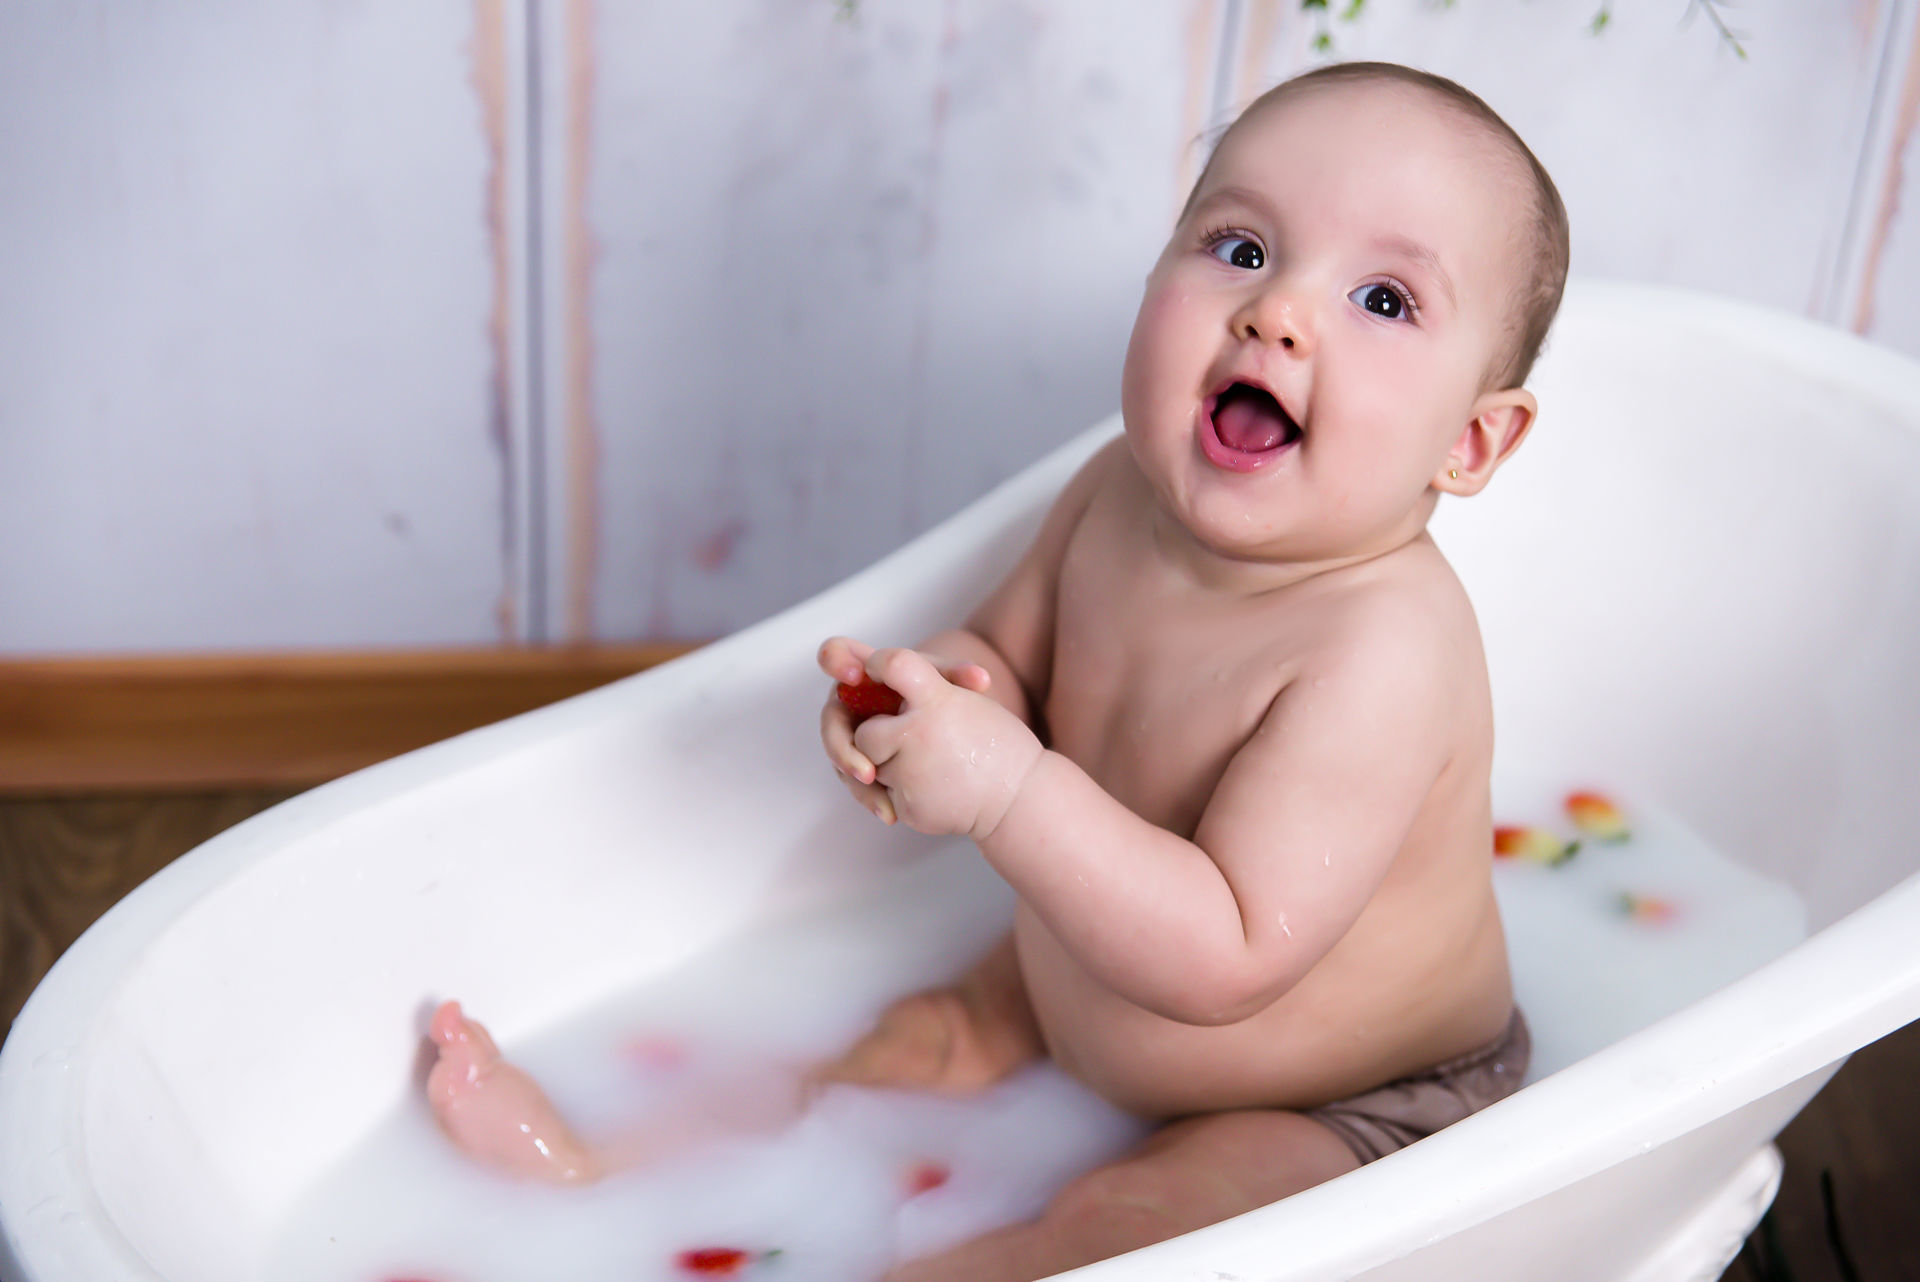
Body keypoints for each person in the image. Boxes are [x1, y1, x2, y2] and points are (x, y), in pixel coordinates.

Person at [427, 60, 1569, 1282]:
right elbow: (1004, 663)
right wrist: (930, 703)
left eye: (1382, 299)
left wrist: (1011, 792)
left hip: (1356, 1101)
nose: (1277, 311)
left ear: (1470, 439)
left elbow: (1231, 951)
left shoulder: (1380, 649)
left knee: (1114, 1234)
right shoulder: (1115, 495)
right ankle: (610, 1172)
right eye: (1240, 248)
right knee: (909, 1044)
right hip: (1075, 985)